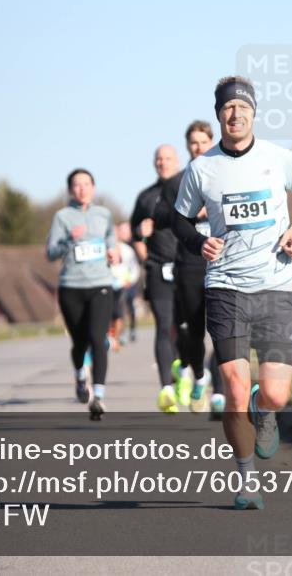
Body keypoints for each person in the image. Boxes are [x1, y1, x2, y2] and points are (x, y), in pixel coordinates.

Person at [172, 76, 292, 509]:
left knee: (274, 394)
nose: (235, 115)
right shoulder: (202, 169)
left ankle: (265, 406)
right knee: (234, 386)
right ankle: (245, 480)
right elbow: (179, 219)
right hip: (226, 287)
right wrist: (197, 241)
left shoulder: (279, 158)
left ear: (254, 112)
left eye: (242, 108)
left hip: (275, 284)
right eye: (227, 109)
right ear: (219, 114)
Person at [154, 120, 226, 416]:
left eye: (203, 142)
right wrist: (186, 210)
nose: (198, 147)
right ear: (187, 147)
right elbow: (160, 216)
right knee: (193, 334)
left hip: (223, 262)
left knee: (223, 331)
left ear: (211, 142)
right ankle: (199, 375)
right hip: (189, 264)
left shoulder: (226, 176)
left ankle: (219, 395)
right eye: (193, 143)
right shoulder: (178, 182)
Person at [46, 168, 120, 420]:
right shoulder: (62, 217)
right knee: (79, 342)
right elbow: (50, 252)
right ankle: (80, 375)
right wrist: (69, 240)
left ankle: (98, 396)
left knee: (98, 339)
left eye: (86, 184)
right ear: (70, 190)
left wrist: (113, 252)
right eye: (77, 185)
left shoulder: (104, 214)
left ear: (94, 188)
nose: (82, 189)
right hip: (71, 287)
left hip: (101, 284)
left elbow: (112, 240)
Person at [131, 145, 182, 412]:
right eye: (159, 159)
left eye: (168, 158)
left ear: (178, 161)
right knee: (164, 325)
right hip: (158, 268)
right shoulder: (146, 197)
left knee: (186, 327)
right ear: (154, 163)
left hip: (188, 267)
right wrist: (142, 239)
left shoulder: (189, 187)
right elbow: (134, 233)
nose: (163, 163)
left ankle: (183, 367)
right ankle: (166, 390)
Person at [109, 222, 139, 350]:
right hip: (107, 285)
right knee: (109, 313)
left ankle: (118, 336)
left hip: (123, 285)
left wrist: (130, 280)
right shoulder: (104, 248)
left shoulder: (127, 250)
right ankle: (111, 336)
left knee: (120, 312)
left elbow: (134, 267)